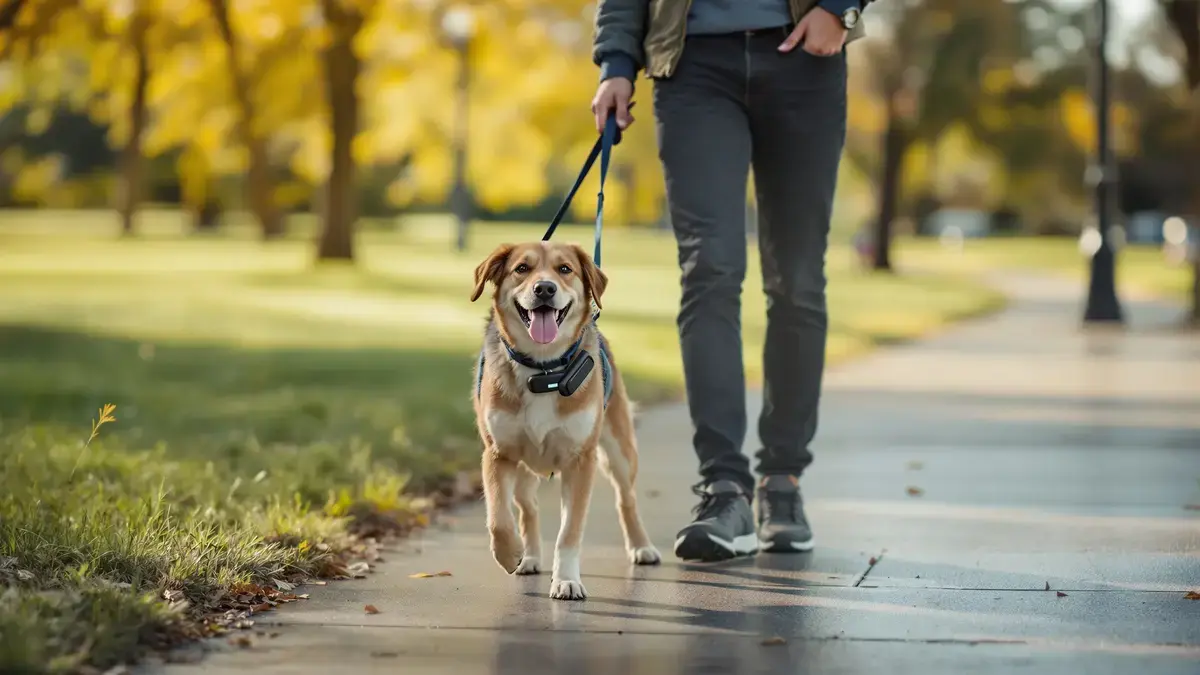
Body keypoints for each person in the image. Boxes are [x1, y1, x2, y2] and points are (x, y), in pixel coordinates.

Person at [590, 0, 873, 562]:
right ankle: (723, 488)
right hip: (693, 66)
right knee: (709, 272)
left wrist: (840, 8)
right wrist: (617, 60)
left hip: (803, 57)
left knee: (797, 281)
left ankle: (783, 482)